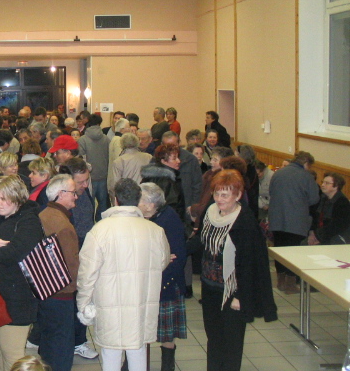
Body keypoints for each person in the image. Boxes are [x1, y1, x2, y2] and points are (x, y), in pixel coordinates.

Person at [77, 179, 170, 371]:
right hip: (142, 302)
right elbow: (162, 262)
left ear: (115, 200)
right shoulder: (155, 231)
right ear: (138, 200)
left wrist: (83, 305)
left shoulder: (99, 230)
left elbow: (87, 274)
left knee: (111, 354)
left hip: (109, 304)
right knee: (138, 351)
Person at [199, 170, 277, 371]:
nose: (219, 199)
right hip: (210, 289)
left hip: (232, 293)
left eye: (225, 195)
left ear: (238, 195)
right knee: (214, 339)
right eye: (216, 193)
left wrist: (239, 295)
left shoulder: (245, 222)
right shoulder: (210, 213)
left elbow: (251, 265)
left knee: (232, 344)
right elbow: (200, 243)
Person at [0, 175, 43, 371]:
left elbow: (17, 251)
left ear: (16, 198)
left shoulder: (29, 221)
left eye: (3, 198)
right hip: (0, 296)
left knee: (13, 356)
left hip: (18, 299)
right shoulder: (2, 217)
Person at [137, 183, 187, 371]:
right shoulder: (141, 218)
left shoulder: (169, 219)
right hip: (146, 282)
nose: (136, 203)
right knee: (141, 330)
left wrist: (160, 272)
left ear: (150, 204)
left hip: (166, 283)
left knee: (166, 333)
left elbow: (177, 256)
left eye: (139, 199)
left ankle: (168, 366)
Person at [36, 175, 80, 371]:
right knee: (62, 344)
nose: (76, 196)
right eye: (73, 192)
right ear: (61, 194)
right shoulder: (63, 224)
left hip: (43, 289)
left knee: (48, 340)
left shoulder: (43, 215)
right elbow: (71, 264)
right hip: (61, 293)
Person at [268, 151, 320, 294]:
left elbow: (271, 191)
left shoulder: (279, 173)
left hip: (277, 218)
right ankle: (290, 284)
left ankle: (280, 281)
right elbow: (314, 199)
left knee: (279, 249)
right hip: (296, 220)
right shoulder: (306, 177)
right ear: (306, 164)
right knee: (293, 250)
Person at [77, 114, 111, 220]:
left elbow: (81, 158)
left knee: (89, 204)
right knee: (103, 204)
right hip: (104, 175)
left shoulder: (82, 140)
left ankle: (90, 224)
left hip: (88, 178)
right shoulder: (107, 139)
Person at [140, 144, 185, 222]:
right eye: (174, 158)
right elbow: (171, 205)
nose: (178, 161)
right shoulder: (166, 180)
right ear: (163, 161)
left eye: (178, 157)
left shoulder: (149, 177)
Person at [308, 172, 350, 245]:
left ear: (336, 186)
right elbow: (315, 218)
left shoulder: (342, 202)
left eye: (327, 183)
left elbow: (338, 225)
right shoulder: (323, 198)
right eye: (322, 182)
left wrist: (318, 237)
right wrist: (312, 233)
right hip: (321, 234)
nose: (322, 185)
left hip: (335, 238)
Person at [108, 132, 151, 202]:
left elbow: (114, 184)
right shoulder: (148, 157)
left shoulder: (119, 161)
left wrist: (114, 201)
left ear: (122, 144)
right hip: (146, 196)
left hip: (127, 198)